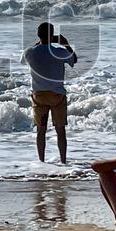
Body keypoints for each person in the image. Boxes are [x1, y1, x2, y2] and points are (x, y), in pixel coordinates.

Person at [20, 22, 77, 163]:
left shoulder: (29, 52)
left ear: (38, 35)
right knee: (60, 131)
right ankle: (63, 161)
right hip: (57, 95)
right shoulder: (59, 52)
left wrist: (40, 42)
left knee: (41, 131)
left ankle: (41, 161)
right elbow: (74, 59)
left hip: (39, 96)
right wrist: (66, 44)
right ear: (52, 35)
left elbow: (23, 61)